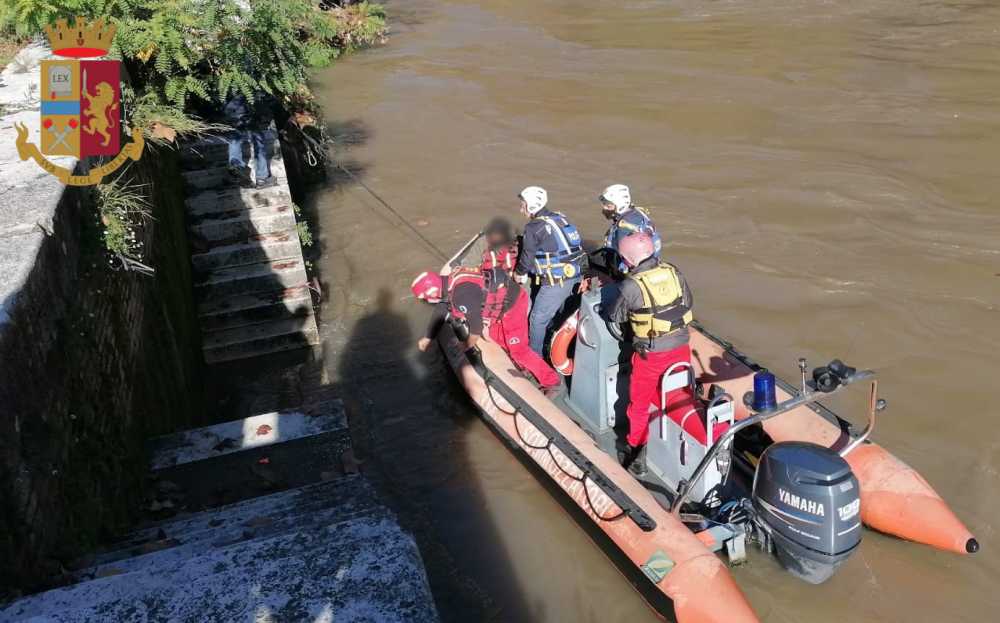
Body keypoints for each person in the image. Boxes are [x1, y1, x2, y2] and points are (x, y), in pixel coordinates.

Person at [601, 232, 695, 477]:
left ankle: (635, 452)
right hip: (682, 346)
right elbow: (687, 301)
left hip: (650, 354)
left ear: (628, 259)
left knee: (638, 404)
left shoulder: (631, 284)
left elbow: (615, 316)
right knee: (678, 393)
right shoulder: (673, 271)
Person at [412, 266, 561, 394]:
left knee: (518, 349)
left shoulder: (461, 295)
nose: (427, 300)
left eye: (426, 297)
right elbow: (441, 309)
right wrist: (428, 337)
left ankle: (552, 382)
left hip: (513, 305)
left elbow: (477, 328)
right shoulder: (448, 282)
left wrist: (466, 345)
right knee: (496, 336)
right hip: (502, 304)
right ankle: (523, 365)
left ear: (432, 292)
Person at [513, 186, 586, 356]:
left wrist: (519, 273)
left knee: (537, 320)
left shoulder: (533, 227)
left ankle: (534, 359)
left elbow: (527, 255)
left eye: (522, 204)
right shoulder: (560, 218)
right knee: (561, 314)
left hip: (556, 282)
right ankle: (554, 344)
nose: (520, 208)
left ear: (531, 206)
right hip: (575, 276)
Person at [223, 91, 279, 189]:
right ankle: (262, 178)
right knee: (259, 141)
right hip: (251, 110)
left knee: (235, 139)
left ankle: (235, 173)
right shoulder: (256, 81)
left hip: (232, 108)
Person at [599, 184, 660, 273]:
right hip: (652, 264)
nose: (604, 208)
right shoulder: (637, 213)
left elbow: (627, 262)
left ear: (619, 206)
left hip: (630, 275)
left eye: (608, 206)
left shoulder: (624, 228)